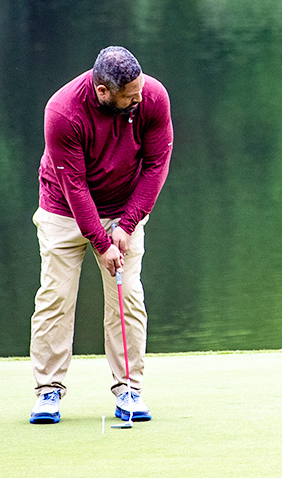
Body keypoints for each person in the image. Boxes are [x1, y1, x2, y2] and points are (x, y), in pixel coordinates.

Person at [28, 46, 173, 425]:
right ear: (103, 92)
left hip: (123, 207)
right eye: (130, 96)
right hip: (64, 208)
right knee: (56, 297)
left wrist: (126, 225)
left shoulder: (152, 97)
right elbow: (74, 186)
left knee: (127, 297)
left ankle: (129, 389)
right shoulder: (62, 111)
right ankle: (48, 392)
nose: (139, 100)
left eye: (139, 91)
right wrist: (101, 241)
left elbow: (157, 164)